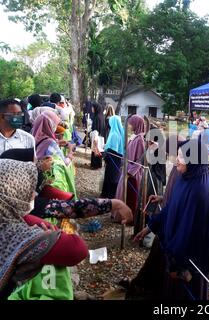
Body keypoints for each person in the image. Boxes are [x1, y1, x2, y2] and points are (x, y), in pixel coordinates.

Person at [134, 138, 209, 300]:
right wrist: (149, 227)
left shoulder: (200, 190)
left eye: (180, 157)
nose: (176, 161)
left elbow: (188, 234)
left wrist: (176, 265)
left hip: (188, 262)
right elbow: (171, 207)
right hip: (178, 256)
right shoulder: (187, 177)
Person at [0, 159, 87, 299]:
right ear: (12, 192)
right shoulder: (13, 233)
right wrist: (45, 227)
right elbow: (78, 249)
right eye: (29, 188)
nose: (34, 194)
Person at [115, 115, 146, 220]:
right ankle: (120, 215)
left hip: (133, 173)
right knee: (122, 192)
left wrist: (130, 172)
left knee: (130, 195)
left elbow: (140, 160)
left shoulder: (140, 139)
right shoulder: (134, 137)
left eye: (131, 123)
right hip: (127, 168)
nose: (129, 125)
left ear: (136, 124)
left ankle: (128, 217)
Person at [101, 115, 125, 198]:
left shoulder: (114, 134)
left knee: (111, 177)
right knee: (115, 177)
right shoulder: (119, 132)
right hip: (117, 160)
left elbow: (113, 149)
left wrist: (104, 149)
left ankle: (109, 195)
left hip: (113, 160)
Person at [90, 102, 105, 169]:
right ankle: (97, 165)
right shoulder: (100, 116)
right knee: (98, 150)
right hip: (100, 136)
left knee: (96, 149)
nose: (92, 108)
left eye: (93, 107)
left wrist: (95, 139)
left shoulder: (97, 117)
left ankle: (95, 165)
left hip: (97, 136)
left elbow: (96, 129)